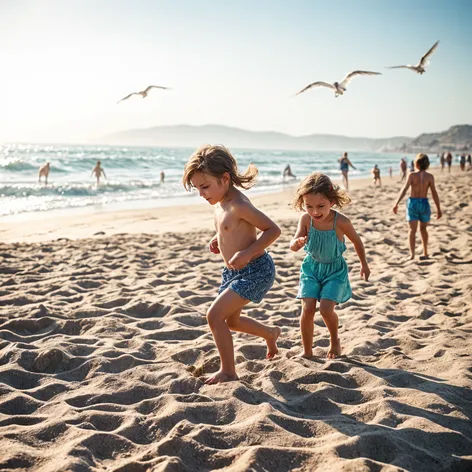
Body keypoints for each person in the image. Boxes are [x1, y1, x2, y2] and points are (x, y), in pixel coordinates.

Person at [182, 144, 281, 384]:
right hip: (232, 272)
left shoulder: (239, 205)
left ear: (224, 179)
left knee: (214, 316)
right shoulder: (219, 203)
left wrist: (247, 253)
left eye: (205, 187)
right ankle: (270, 334)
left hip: (256, 270)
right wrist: (218, 240)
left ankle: (228, 371)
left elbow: (273, 230)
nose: (202, 193)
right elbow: (229, 229)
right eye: (197, 188)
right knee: (232, 321)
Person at [289, 172, 370, 359]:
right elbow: (294, 242)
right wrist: (295, 243)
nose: (315, 211)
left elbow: (357, 242)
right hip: (311, 268)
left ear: (331, 202)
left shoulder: (341, 221)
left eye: (320, 206)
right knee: (307, 308)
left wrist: (363, 264)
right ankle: (307, 351)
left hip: (334, 271)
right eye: (308, 206)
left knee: (326, 309)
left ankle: (334, 340)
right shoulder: (305, 219)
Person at [393, 153, 442, 260]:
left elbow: (405, 189)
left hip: (413, 203)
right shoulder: (430, 177)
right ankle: (425, 252)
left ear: (416, 164)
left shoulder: (411, 175)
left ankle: (412, 254)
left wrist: (396, 203)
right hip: (424, 203)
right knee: (423, 229)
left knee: (412, 230)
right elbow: (434, 193)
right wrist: (438, 209)